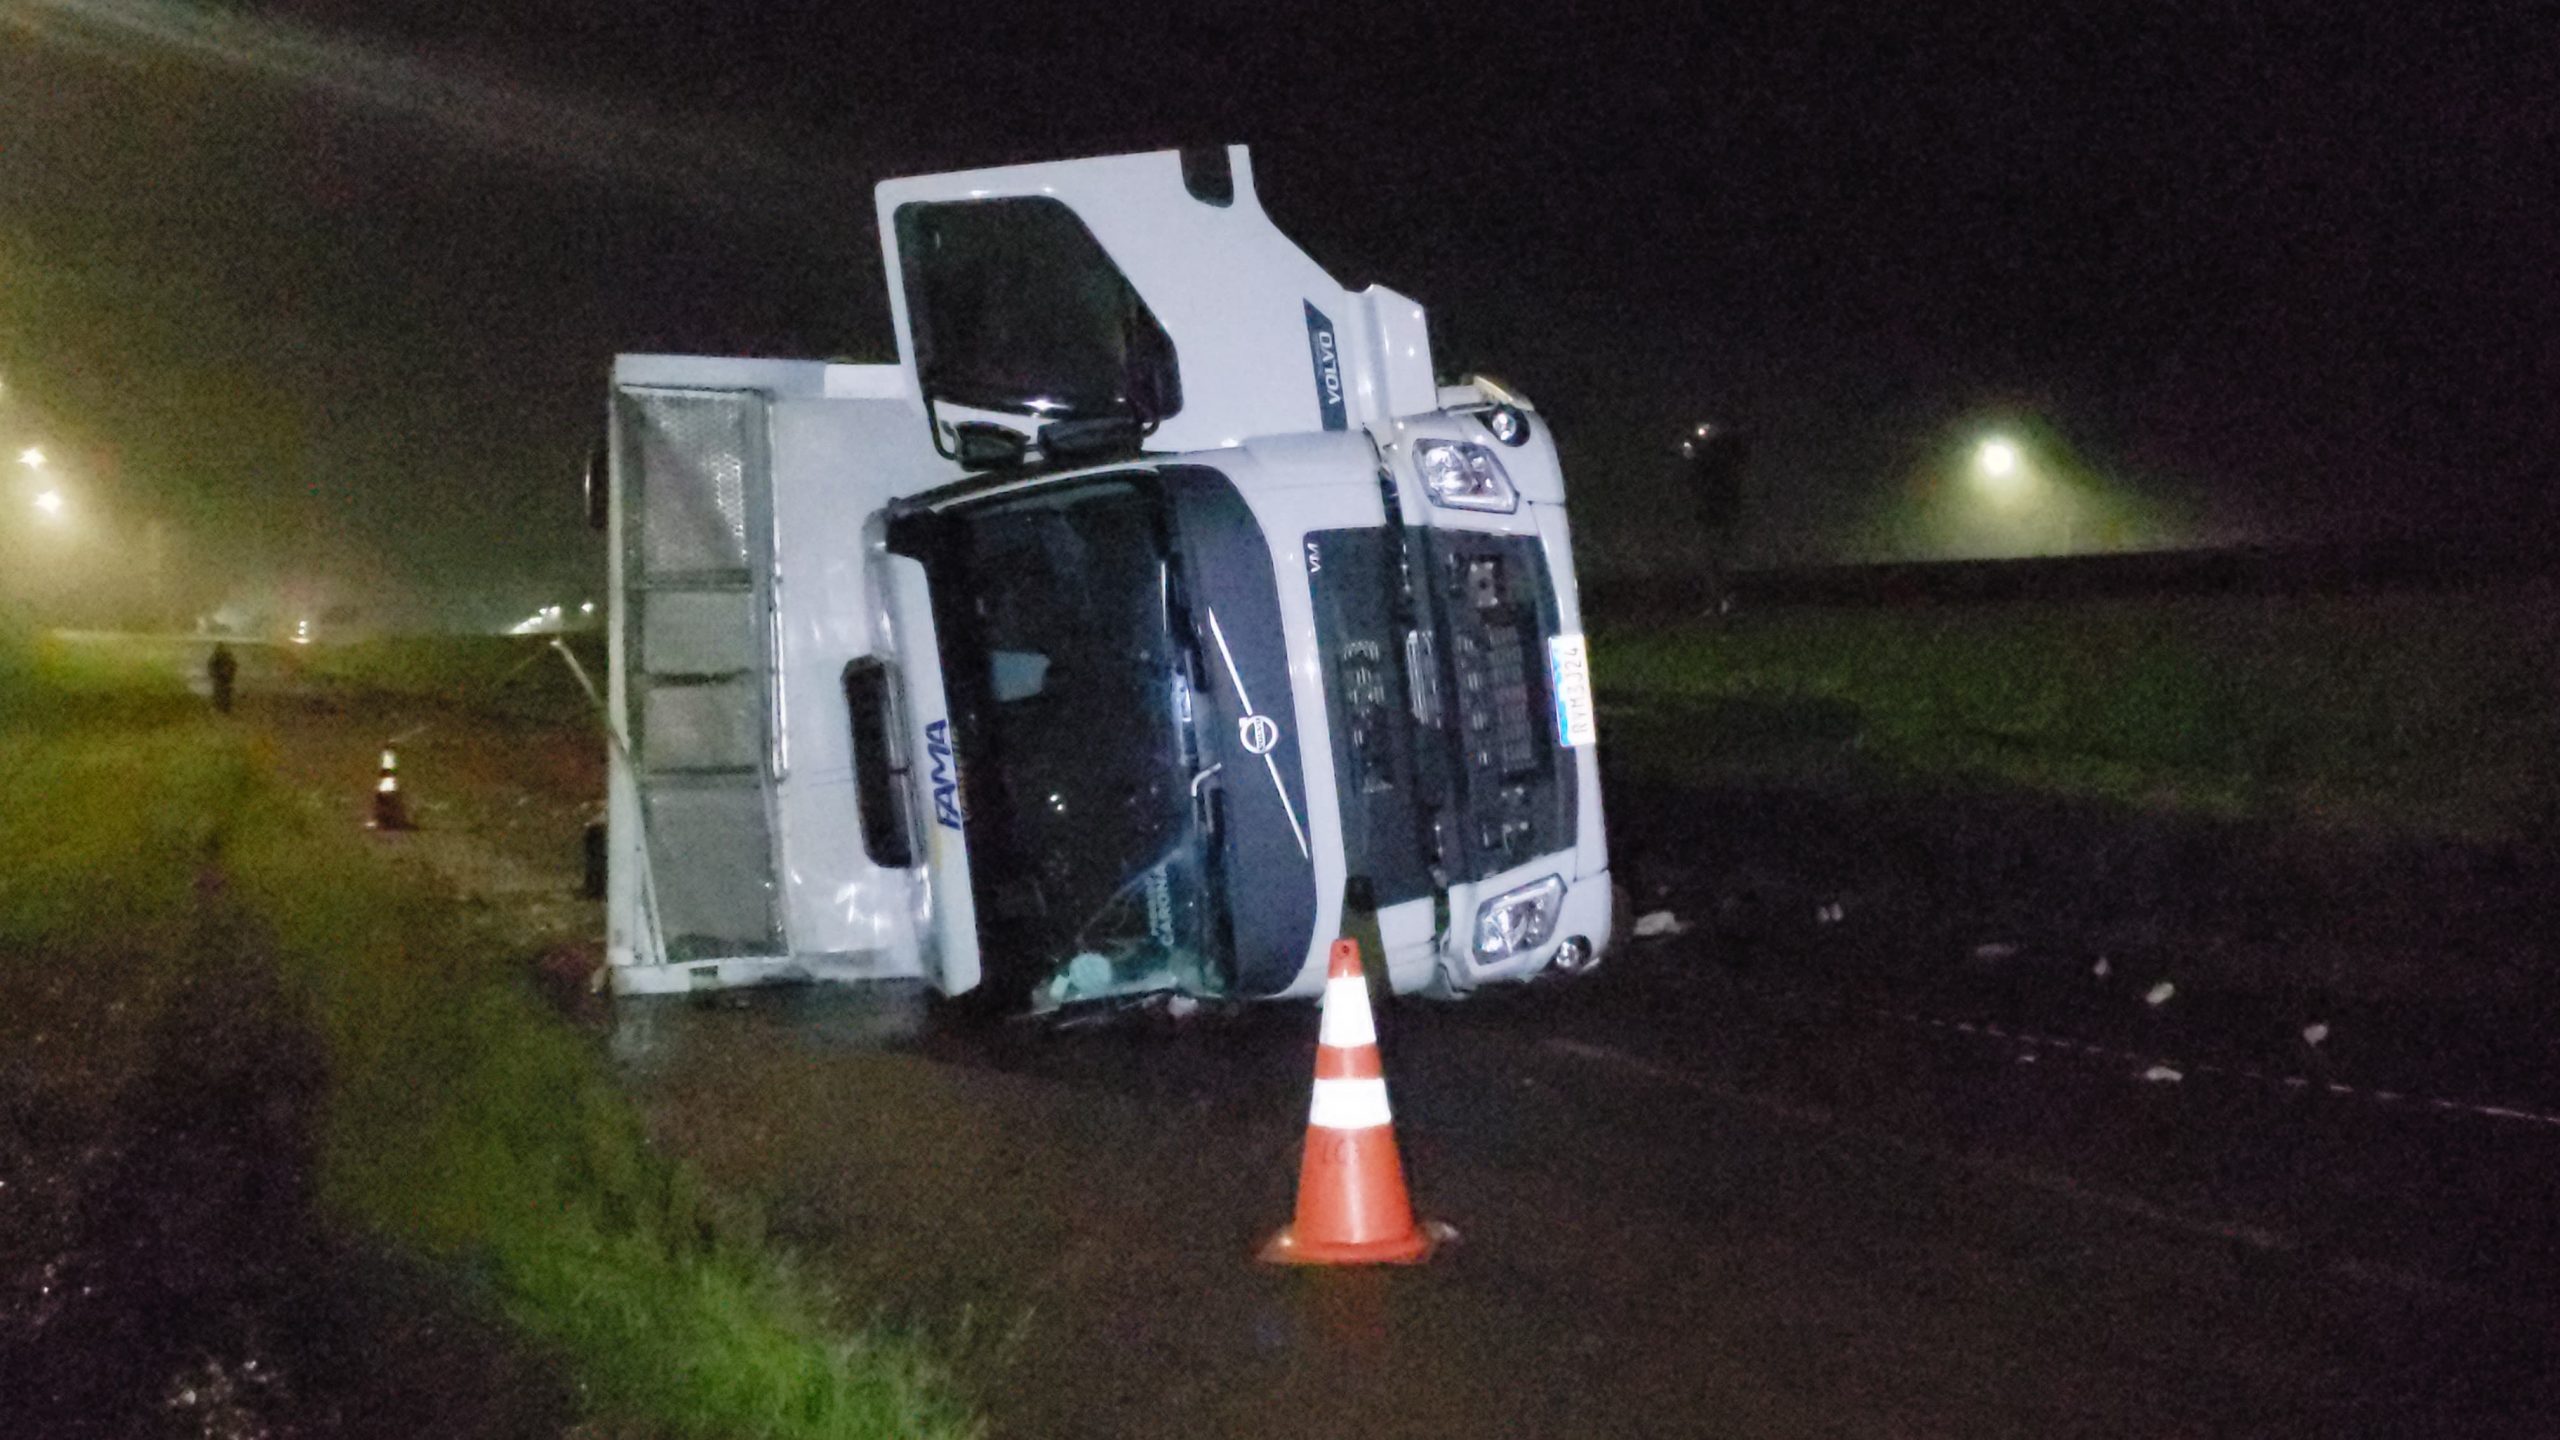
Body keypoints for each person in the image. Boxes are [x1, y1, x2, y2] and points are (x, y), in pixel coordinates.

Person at [207, 642, 238, 715]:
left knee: (221, 693)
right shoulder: (226, 656)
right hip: (222, 678)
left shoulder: (217, 656)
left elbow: (211, 666)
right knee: (223, 693)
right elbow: (233, 666)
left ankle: (222, 708)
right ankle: (224, 708)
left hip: (222, 678)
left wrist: (213, 674)